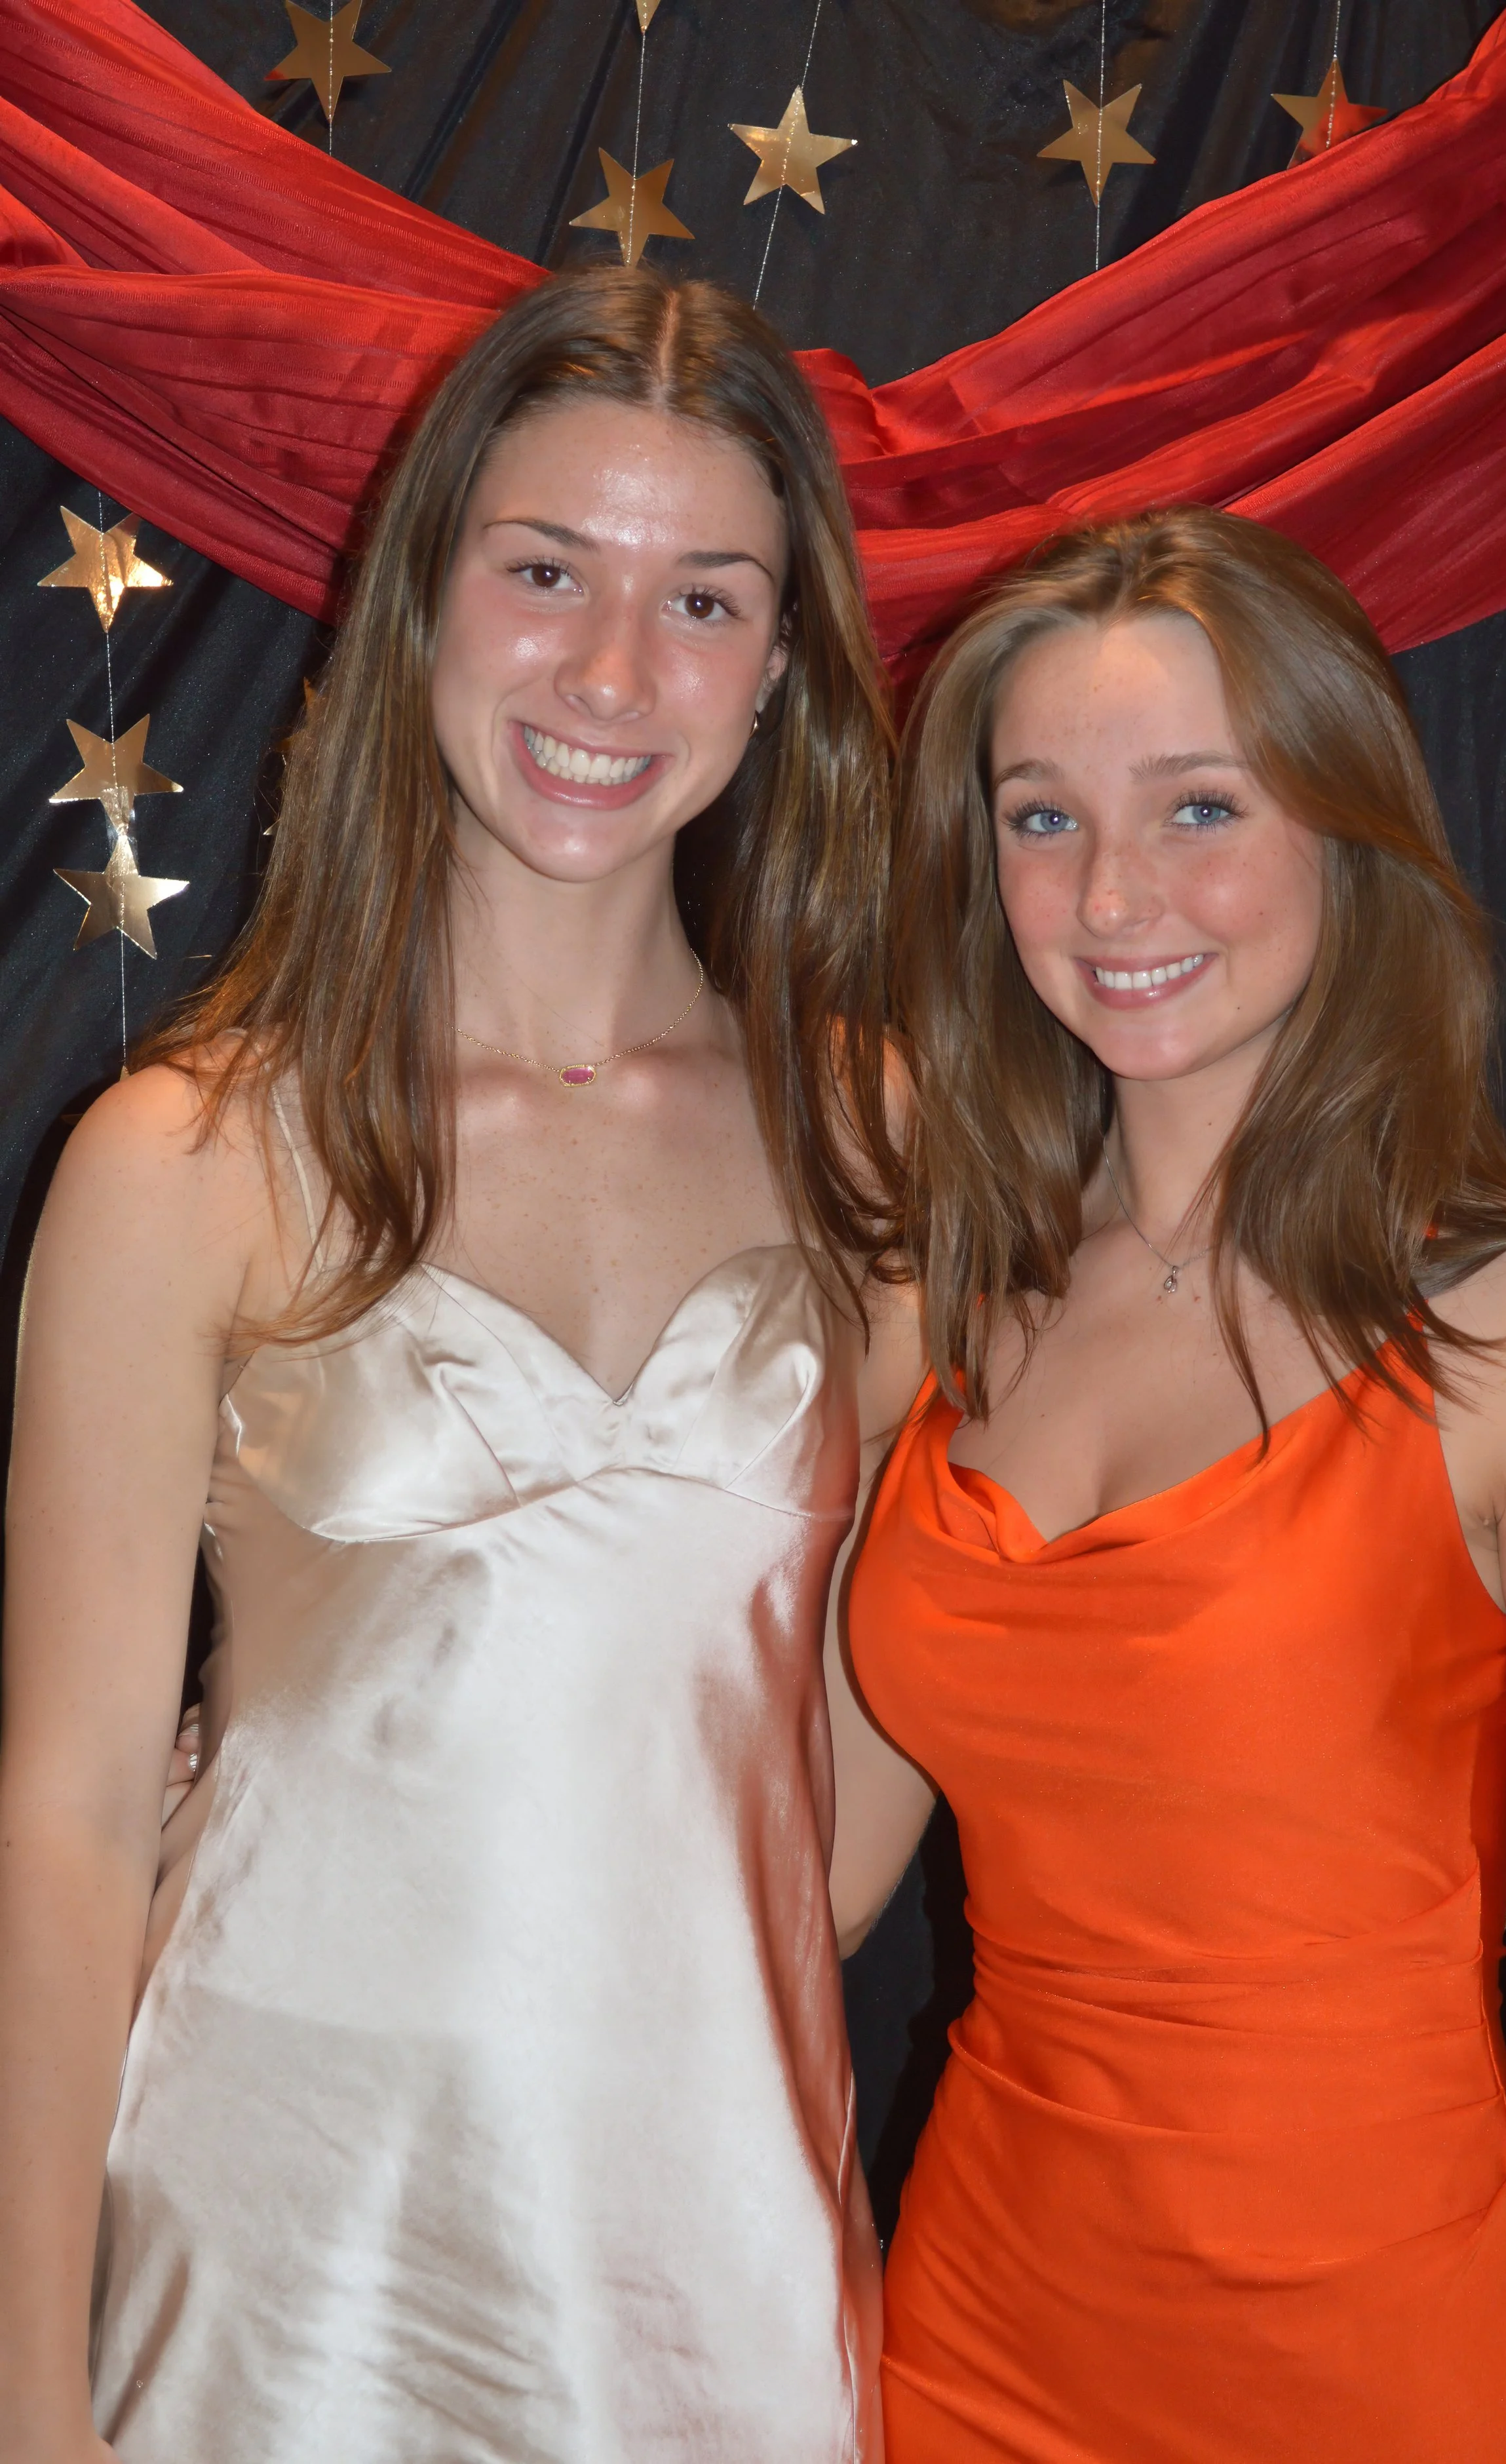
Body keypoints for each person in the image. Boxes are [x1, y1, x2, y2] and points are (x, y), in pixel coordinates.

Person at [0, 264, 921, 2464]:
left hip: (714, 2259)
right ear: (420, 595)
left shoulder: (881, 1141)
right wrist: (31, 2395)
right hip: (273, 2259)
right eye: (544, 572)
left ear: (780, 667)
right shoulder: (192, 1160)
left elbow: (910, 1699)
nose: (612, 668)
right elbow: (63, 1815)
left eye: (703, 600)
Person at [828, 510, 1506, 2461]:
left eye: (1199, 807)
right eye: (1040, 818)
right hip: (970, 2353)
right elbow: (779, 1890)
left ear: (1343, 834)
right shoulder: (942, 1306)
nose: (1111, 894)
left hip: (1385, 2360)